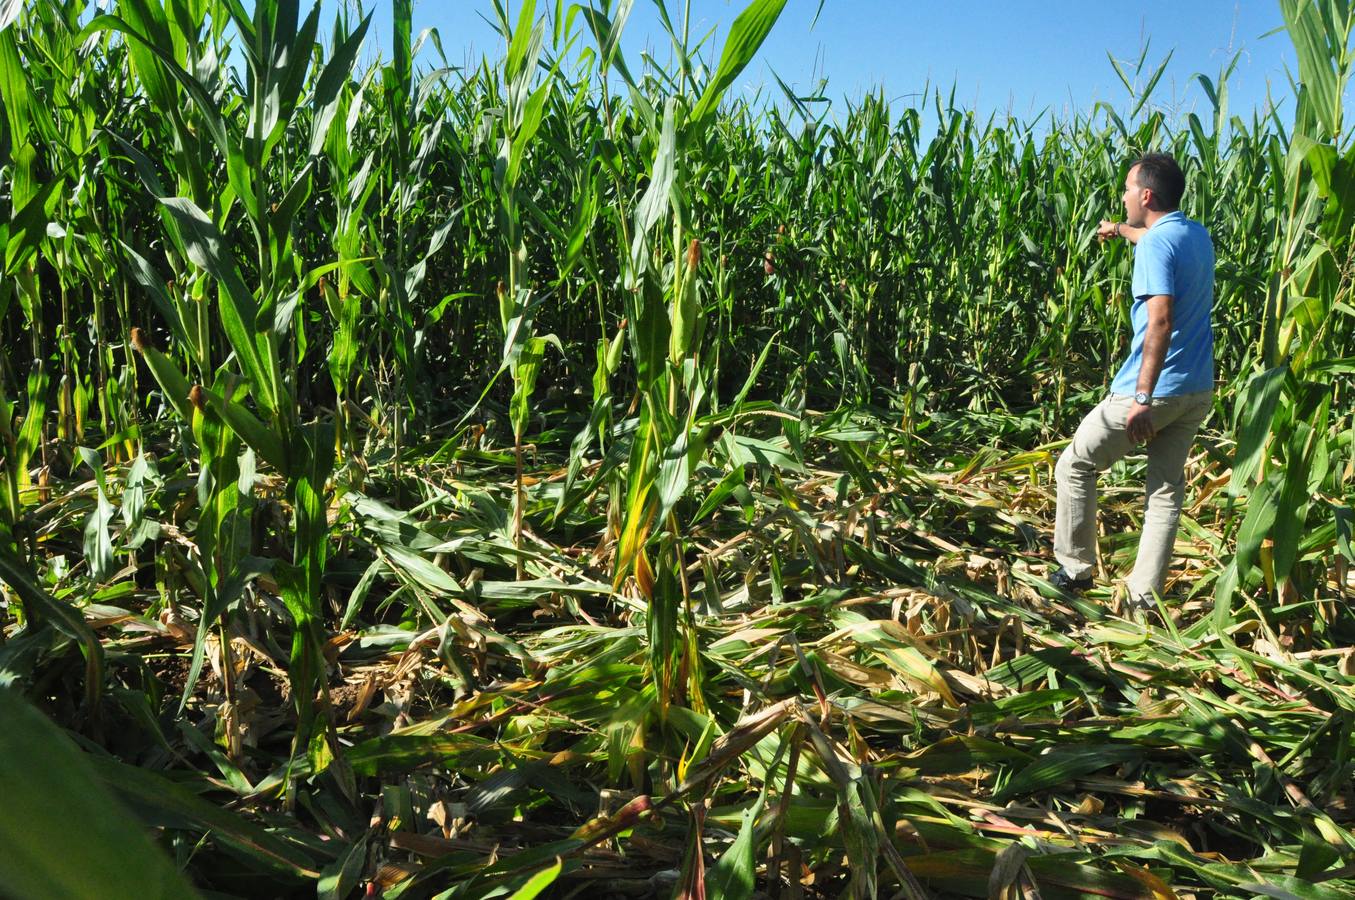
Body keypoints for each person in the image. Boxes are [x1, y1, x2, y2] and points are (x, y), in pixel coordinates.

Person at [1050, 153, 1215, 612]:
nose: (1122, 197)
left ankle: (1075, 569)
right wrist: (1119, 230)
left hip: (1152, 391)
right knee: (1164, 491)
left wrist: (1142, 397)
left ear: (1145, 194)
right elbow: (1153, 239)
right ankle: (1145, 597)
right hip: (1196, 389)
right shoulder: (1194, 235)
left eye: (1126, 189)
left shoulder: (1155, 247)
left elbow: (1159, 321)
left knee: (1076, 465)